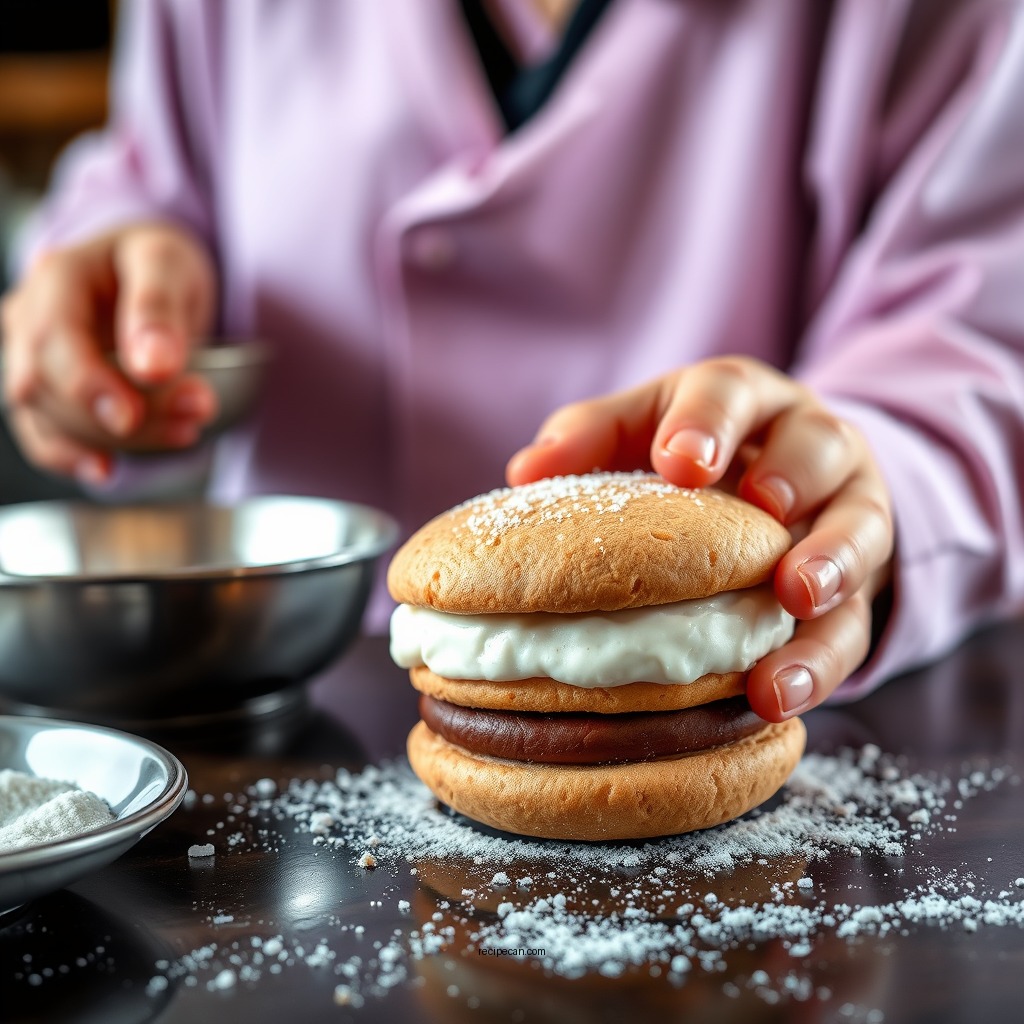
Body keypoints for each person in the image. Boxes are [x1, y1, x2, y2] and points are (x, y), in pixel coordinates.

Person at [3, 1, 1024, 724]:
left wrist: (874, 484)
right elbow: (155, 168)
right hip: (275, 700)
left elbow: (980, 337)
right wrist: (119, 275)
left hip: (771, 711)